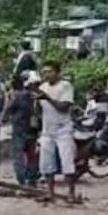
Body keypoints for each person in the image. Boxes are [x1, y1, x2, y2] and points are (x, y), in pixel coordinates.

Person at [36, 60, 76, 200]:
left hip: (63, 129)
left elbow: (63, 107)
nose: (47, 74)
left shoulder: (65, 86)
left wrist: (47, 98)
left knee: (67, 162)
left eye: (50, 71)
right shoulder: (42, 87)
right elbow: (39, 110)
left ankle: (71, 193)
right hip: (47, 129)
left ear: (57, 72)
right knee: (46, 163)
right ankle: (50, 192)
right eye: (45, 72)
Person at [4, 70, 41, 186]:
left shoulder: (18, 96)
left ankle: (22, 178)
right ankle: (32, 179)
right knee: (32, 155)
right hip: (33, 129)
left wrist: (4, 119)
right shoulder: (39, 96)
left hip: (20, 129)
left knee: (18, 154)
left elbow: (9, 109)